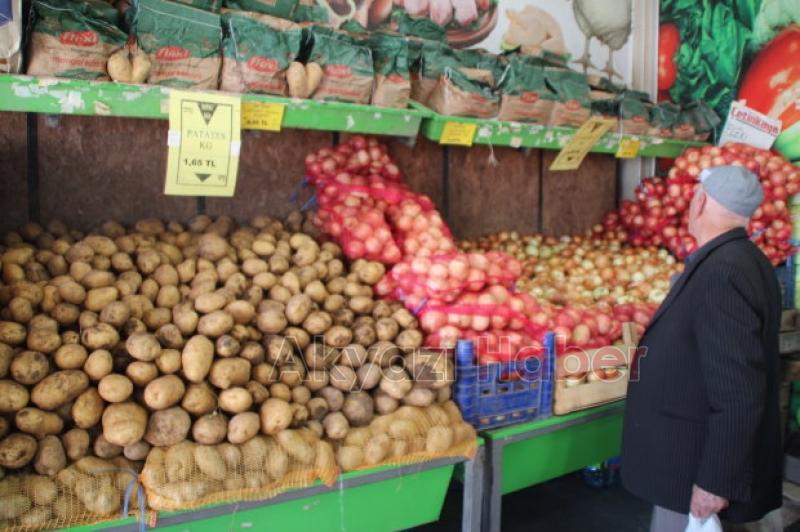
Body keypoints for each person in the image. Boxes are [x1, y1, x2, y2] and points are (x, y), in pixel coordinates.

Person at [621, 165, 783, 532]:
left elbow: (739, 390)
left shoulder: (722, 273)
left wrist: (715, 481)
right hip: (693, 461)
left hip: (695, 470)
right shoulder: (745, 260)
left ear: (700, 202)